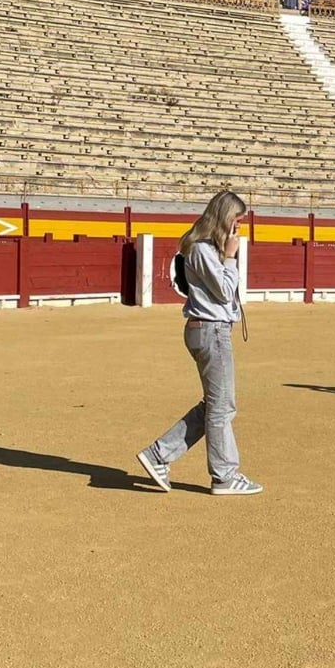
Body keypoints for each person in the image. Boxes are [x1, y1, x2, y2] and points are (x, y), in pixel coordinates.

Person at [137, 191, 263, 495]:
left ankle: (160, 455)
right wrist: (231, 257)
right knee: (221, 408)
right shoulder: (201, 249)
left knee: (216, 406)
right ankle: (223, 475)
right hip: (212, 331)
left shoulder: (203, 249)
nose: (238, 229)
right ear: (223, 217)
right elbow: (222, 292)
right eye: (236, 221)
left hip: (209, 330)